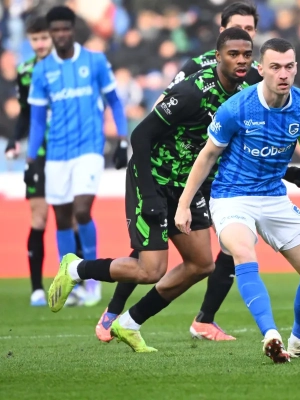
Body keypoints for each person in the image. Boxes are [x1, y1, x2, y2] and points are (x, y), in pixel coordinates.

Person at [95, 1, 300, 343]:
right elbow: (156, 121)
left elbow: (247, 138)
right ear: (222, 33)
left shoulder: (255, 80)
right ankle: (114, 309)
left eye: (250, 32)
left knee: (224, 247)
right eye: (237, 31)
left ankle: (203, 319)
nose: (243, 41)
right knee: (153, 251)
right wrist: (149, 185)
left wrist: (284, 170)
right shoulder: (195, 73)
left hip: (212, 176)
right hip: (174, 171)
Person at [47, 28, 254, 352]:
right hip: (153, 178)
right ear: (218, 57)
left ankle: (129, 323)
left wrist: (285, 169)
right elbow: (141, 135)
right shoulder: (192, 92)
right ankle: (75, 268)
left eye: (247, 54)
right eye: (234, 54)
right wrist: (150, 193)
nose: (241, 60)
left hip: (186, 186)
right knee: (150, 270)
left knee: (202, 264)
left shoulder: (245, 94)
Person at [174, 38, 300, 363]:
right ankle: (270, 334)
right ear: (260, 69)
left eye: (289, 66)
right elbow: (207, 156)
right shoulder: (237, 107)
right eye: (275, 67)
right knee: (243, 252)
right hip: (231, 196)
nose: (283, 74)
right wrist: (183, 204)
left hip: (274, 196)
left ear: (296, 68)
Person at [28, 6, 128, 308]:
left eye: (65, 29)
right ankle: (69, 283)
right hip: (56, 154)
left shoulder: (95, 61)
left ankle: (92, 281)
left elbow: (115, 101)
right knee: (61, 218)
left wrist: (122, 138)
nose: (60, 34)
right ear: (51, 33)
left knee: (82, 211)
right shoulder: (42, 71)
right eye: (55, 30)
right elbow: (37, 120)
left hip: (89, 149)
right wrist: (31, 160)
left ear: (73, 30)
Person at [3, 16, 83, 306]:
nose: (39, 44)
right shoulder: (25, 71)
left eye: (43, 38)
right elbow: (26, 113)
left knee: (70, 217)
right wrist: (15, 139)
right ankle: (37, 288)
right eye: (34, 39)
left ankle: (79, 283)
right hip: (38, 155)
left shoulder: (69, 67)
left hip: (67, 151)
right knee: (38, 217)